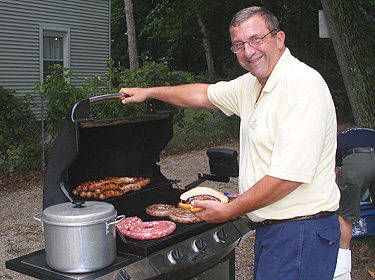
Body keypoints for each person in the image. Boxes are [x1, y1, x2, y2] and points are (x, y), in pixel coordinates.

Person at [119, 6, 340, 279]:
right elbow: (203, 95)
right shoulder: (253, 84)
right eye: (239, 44)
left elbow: (287, 178)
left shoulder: (300, 86)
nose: (248, 52)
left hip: (300, 234)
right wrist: (151, 92)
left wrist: (229, 211)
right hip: (277, 231)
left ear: (279, 39)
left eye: (256, 39)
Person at [334, 127, 375, 280]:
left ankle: (341, 270)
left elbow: (335, 172)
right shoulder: (371, 132)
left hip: (355, 161)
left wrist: (338, 196)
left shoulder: (339, 139)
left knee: (345, 215)